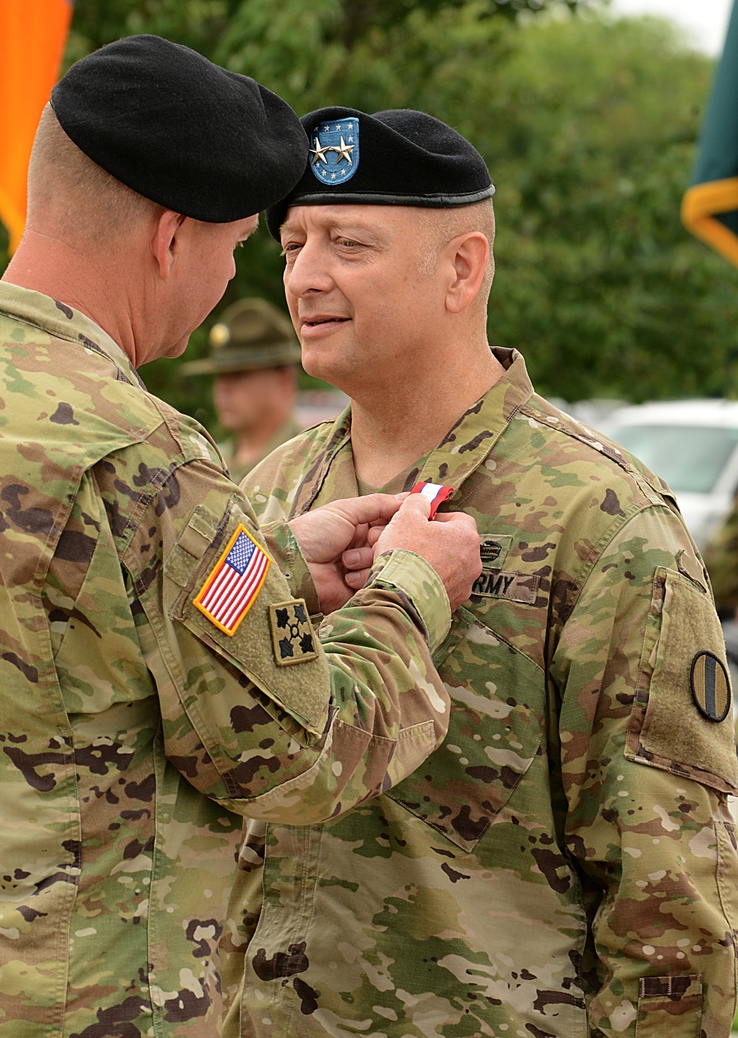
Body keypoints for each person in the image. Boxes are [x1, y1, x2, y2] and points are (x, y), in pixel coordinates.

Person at [0, 44, 484, 1038]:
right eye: (232, 252)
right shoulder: (138, 450)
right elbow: (297, 756)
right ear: (170, 238)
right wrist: (408, 592)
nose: (229, 282)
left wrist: (258, 551)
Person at [223, 107, 738, 1038]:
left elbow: (667, 900)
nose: (305, 276)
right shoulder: (268, 493)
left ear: (461, 267)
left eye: (349, 243)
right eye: (293, 244)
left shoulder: (603, 520)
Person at [181, 298, 303, 482]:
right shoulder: (208, 465)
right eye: (220, 375)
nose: (224, 387)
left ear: (284, 380)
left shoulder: (311, 463)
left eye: (239, 374)